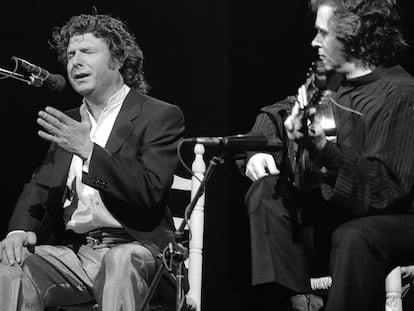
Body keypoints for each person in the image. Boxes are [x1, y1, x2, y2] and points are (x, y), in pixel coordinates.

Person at [0, 13, 185, 311]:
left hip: (137, 250)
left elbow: (148, 190)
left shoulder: (159, 115)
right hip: (76, 252)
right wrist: (17, 231)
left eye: (87, 52)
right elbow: (38, 186)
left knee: (120, 260)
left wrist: (89, 151)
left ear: (117, 59)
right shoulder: (70, 122)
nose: (75, 61)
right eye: (70, 54)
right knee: (11, 267)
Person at [237, 0, 414, 310]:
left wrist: (324, 151)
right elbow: (280, 112)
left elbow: (385, 189)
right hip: (331, 215)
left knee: (355, 236)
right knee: (265, 192)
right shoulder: (327, 80)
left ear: (355, 36)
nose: (314, 41)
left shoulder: (400, 94)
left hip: (390, 219)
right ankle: (296, 299)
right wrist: (257, 150)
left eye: (323, 33)